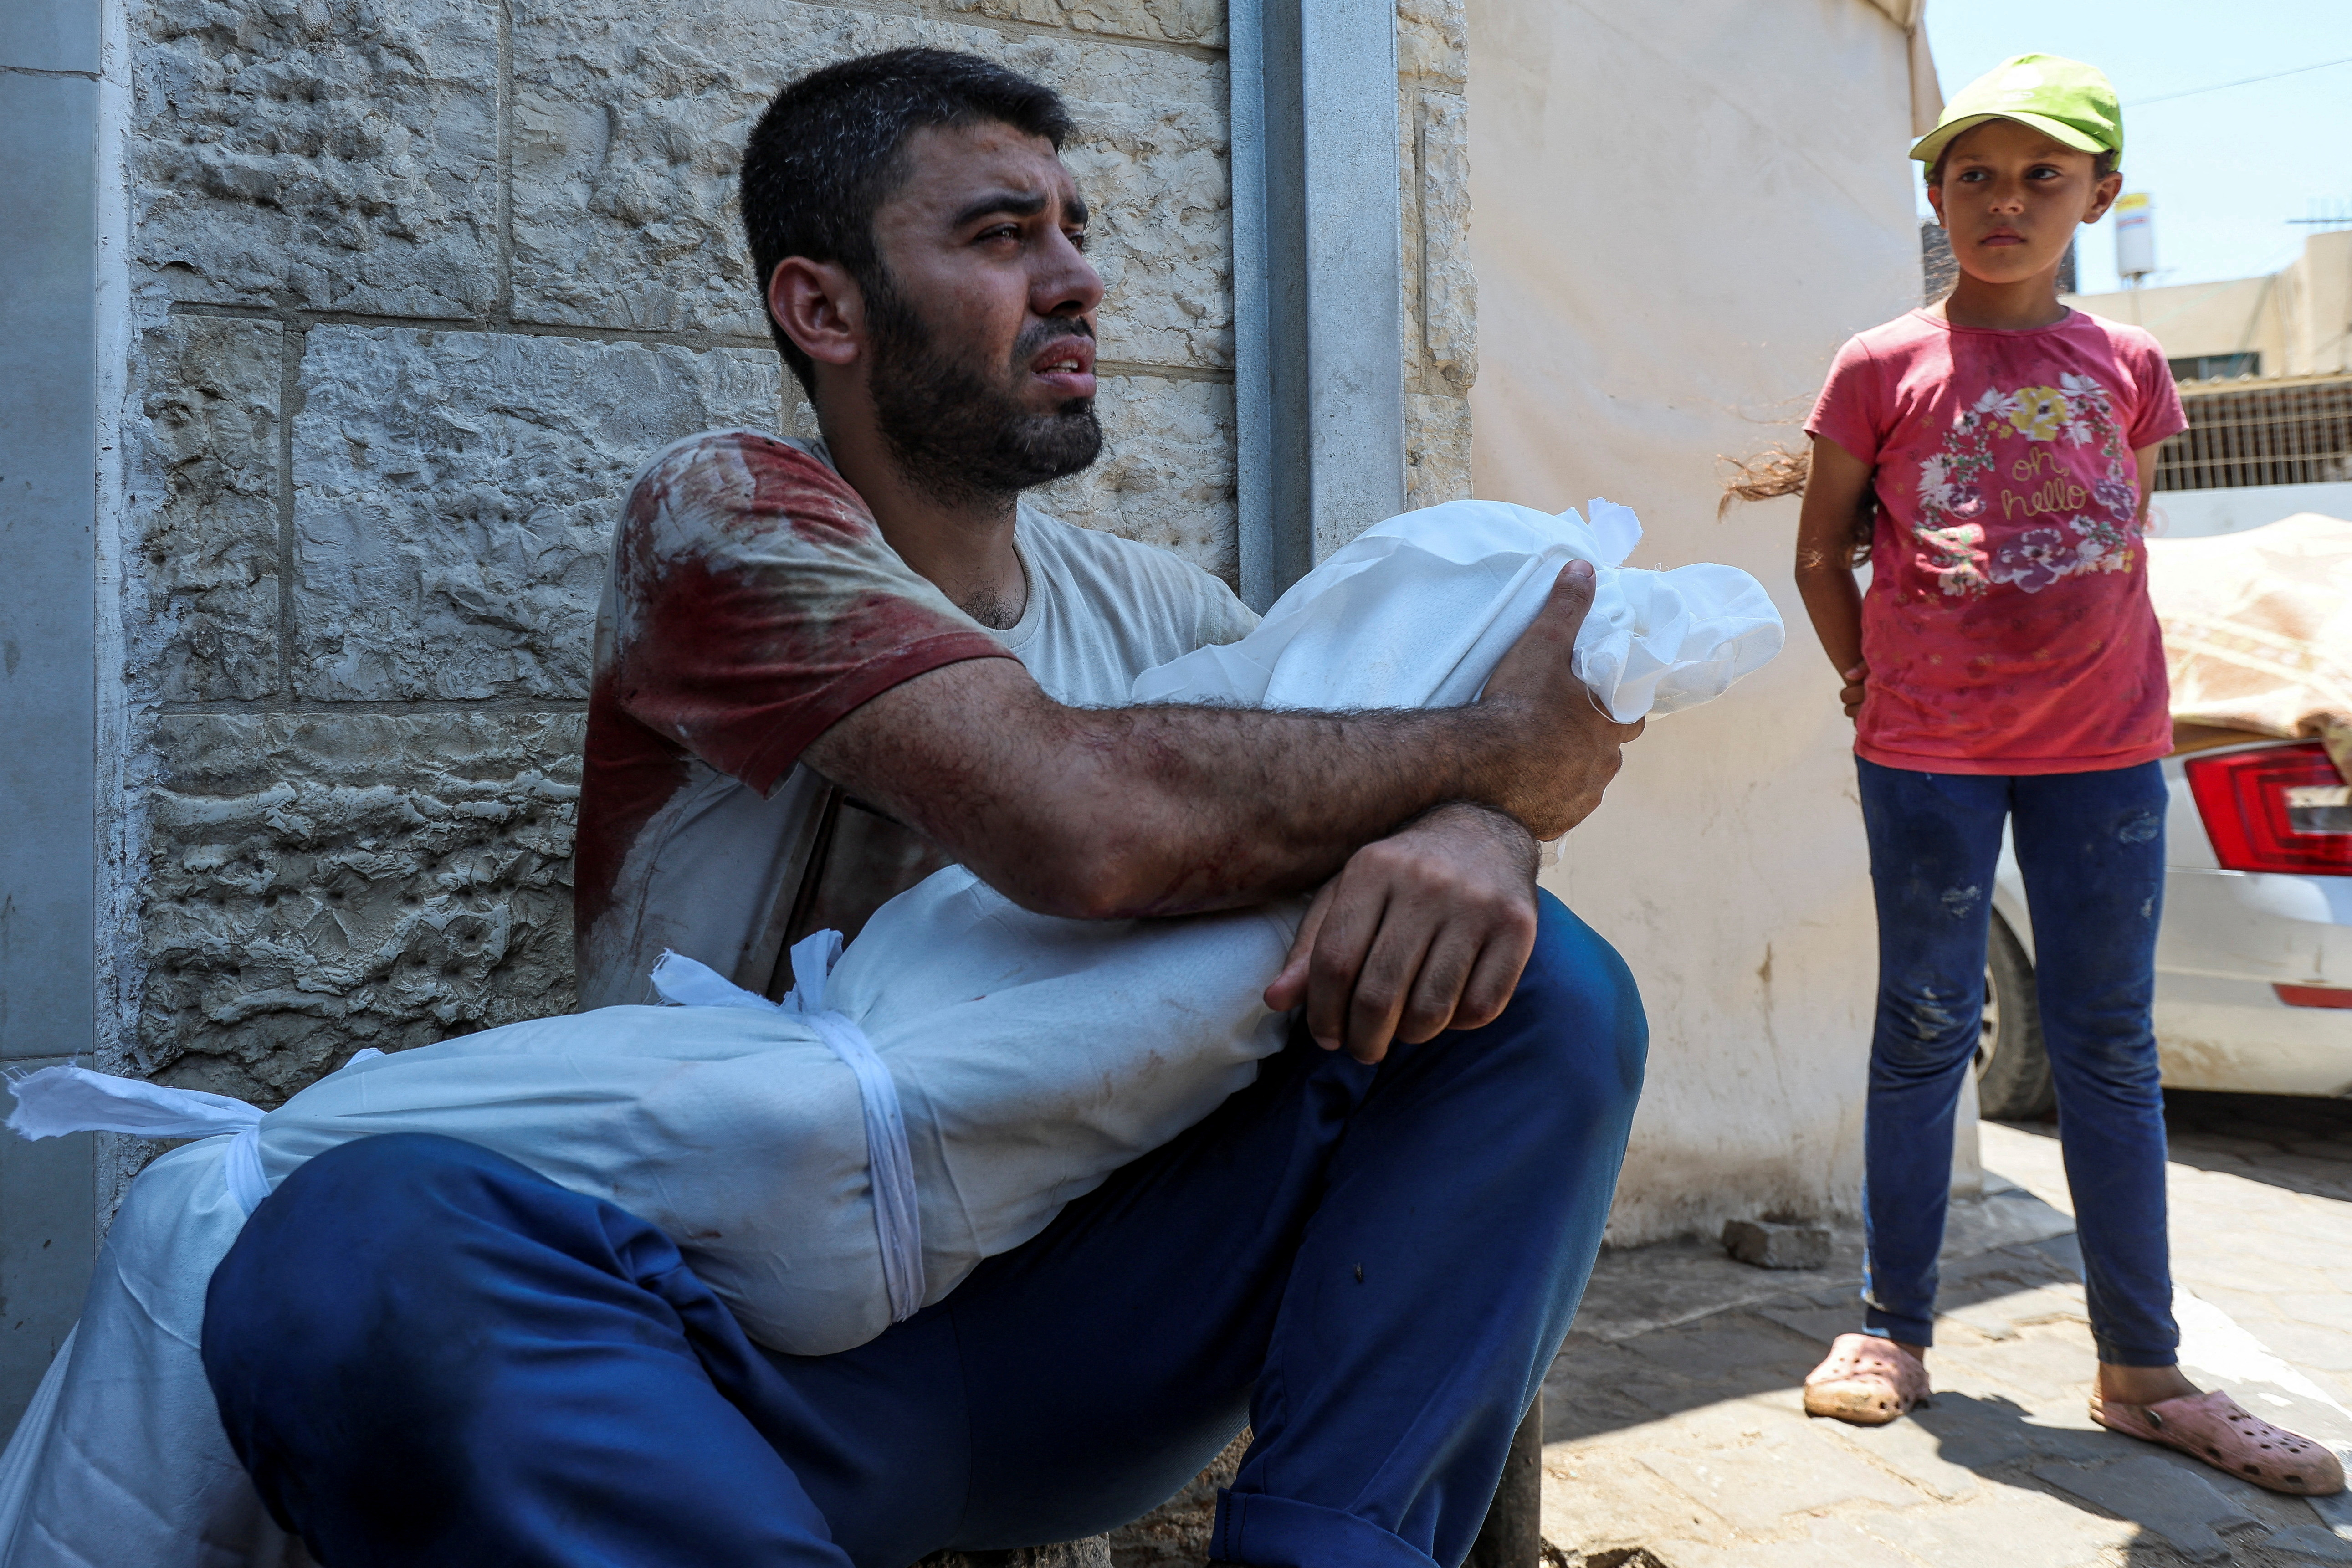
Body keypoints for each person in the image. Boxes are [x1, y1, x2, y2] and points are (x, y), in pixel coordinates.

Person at [197, 48, 1655, 1568]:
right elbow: (1083, 826)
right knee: (351, 1235)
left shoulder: (1165, 613)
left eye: (1077, 229)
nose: (1077, 277)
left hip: (1071, 1335)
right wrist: (1499, 756)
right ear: (821, 310)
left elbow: (1396, 805)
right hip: (727, 1356)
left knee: (1535, 980)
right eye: (1001, 234)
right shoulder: (722, 515)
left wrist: (1482, 822)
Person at [1786, 53, 2342, 1496]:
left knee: (2107, 1043)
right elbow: (1818, 550)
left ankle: (2140, 1368)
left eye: (2042, 176)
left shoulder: (2129, 367)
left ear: (2099, 196)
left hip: (2103, 753)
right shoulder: (1877, 365)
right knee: (1924, 1021)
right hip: (1923, 754)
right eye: (1974, 174)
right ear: (1934, 194)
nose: (2005, 201)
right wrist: (1867, 678)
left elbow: (2118, 541)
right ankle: (1887, 1329)